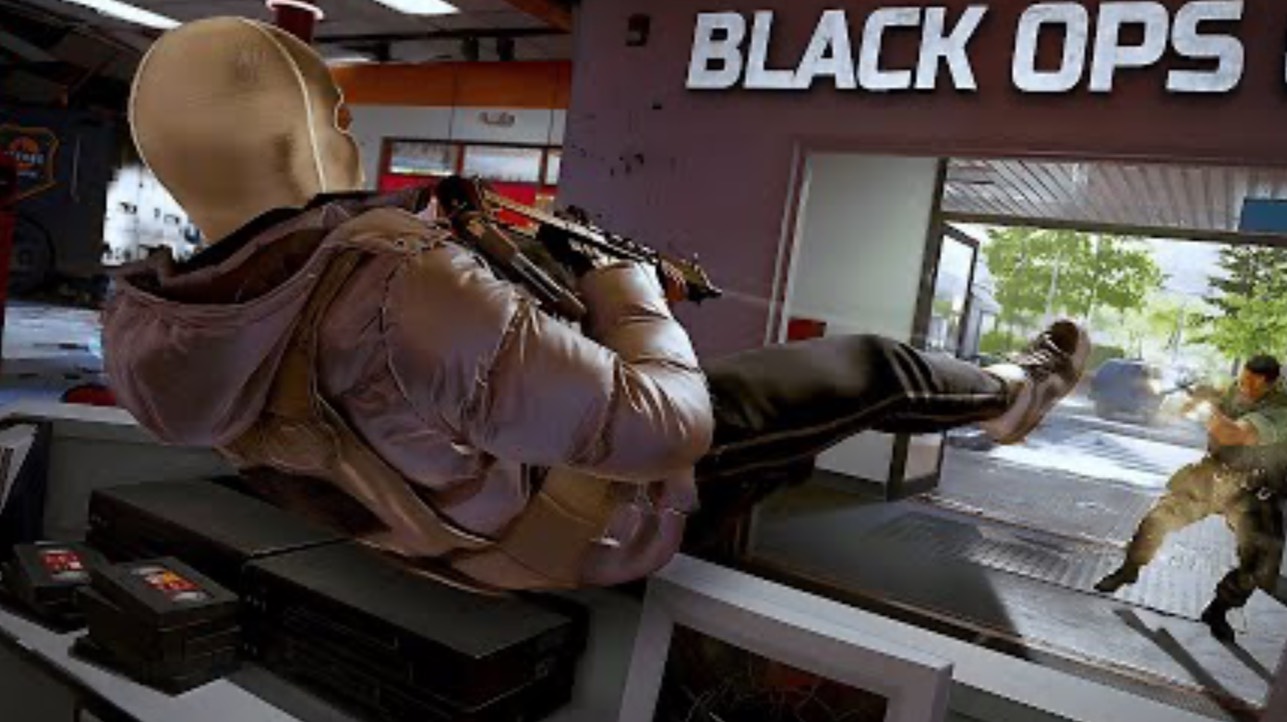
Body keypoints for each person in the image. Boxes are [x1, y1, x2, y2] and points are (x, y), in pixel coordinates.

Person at [101, 17, 1090, 593]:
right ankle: (1013, 391)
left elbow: (388, 376)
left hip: (423, 521)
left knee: (781, 441)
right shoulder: (394, 283)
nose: (347, 127)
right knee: (870, 367)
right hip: (565, 530)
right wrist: (624, 280)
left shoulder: (150, 330)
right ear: (297, 141)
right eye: (332, 111)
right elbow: (668, 424)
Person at [1095, 355, 1287, 641]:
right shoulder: (1233, 390)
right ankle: (1129, 568)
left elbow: (1232, 434)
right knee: (1158, 519)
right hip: (1213, 476)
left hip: (1253, 490)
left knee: (1261, 566)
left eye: (1253, 384)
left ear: (1271, 384)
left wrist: (1209, 407)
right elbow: (1186, 409)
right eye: (1242, 381)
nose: (1244, 388)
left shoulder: (1280, 411)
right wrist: (1195, 399)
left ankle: (1219, 609)